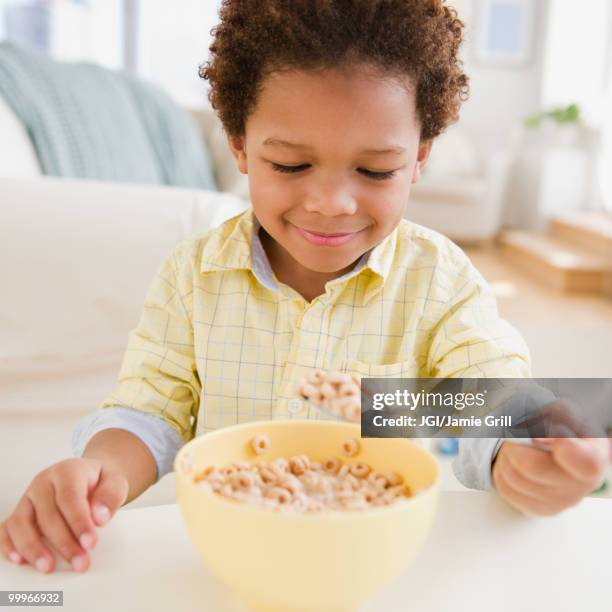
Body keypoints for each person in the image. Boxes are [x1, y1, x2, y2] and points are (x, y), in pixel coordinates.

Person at [1, 0, 608, 575]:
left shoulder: (442, 283)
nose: (331, 204)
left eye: (375, 171)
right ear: (239, 143)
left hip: (376, 566)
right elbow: (150, 407)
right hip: (229, 560)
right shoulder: (194, 274)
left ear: (420, 155)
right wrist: (99, 470)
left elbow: (485, 393)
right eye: (290, 166)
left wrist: (526, 445)